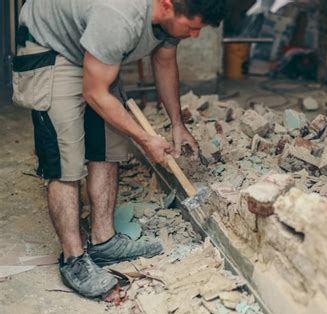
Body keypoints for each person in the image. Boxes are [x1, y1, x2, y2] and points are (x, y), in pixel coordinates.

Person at [12, 0, 226, 298]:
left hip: (93, 45)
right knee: (65, 160)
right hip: (52, 46)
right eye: (192, 28)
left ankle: (104, 241)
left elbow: (164, 61)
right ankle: (73, 259)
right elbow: (94, 92)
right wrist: (145, 138)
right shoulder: (118, 15)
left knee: (109, 146)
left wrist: (177, 124)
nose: (194, 36)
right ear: (166, 6)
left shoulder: (171, 13)